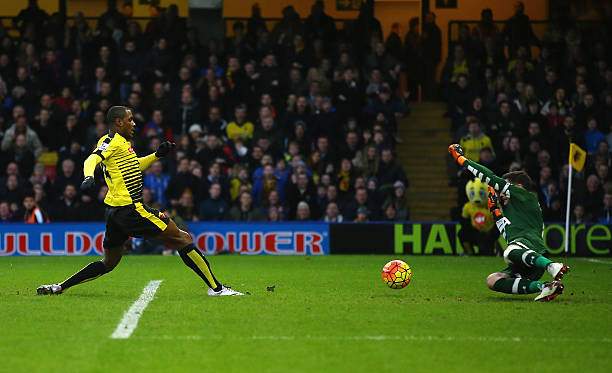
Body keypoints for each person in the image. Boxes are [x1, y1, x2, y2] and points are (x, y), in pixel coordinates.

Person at [37, 106, 242, 297]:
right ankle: (216, 288)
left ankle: (59, 287)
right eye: (130, 120)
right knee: (183, 238)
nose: (134, 123)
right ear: (118, 122)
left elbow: (134, 166)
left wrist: (156, 155)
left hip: (114, 211)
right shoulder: (111, 141)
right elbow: (91, 159)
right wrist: (88, 176)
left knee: (109, 262)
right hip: (131, 209)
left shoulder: (122, 144)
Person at [449, 143, 569, 302]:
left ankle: (552, 266)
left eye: (504, 189)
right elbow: (506, 230)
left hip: (529, 245)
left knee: (509, 251)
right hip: (524, 256)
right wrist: (495, 210)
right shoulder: (516, 211)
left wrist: (462, 159)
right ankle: (545, 287)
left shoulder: (526, 195)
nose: (501, 193)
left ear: (518, 186)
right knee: (492, 280)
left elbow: (490, 177)